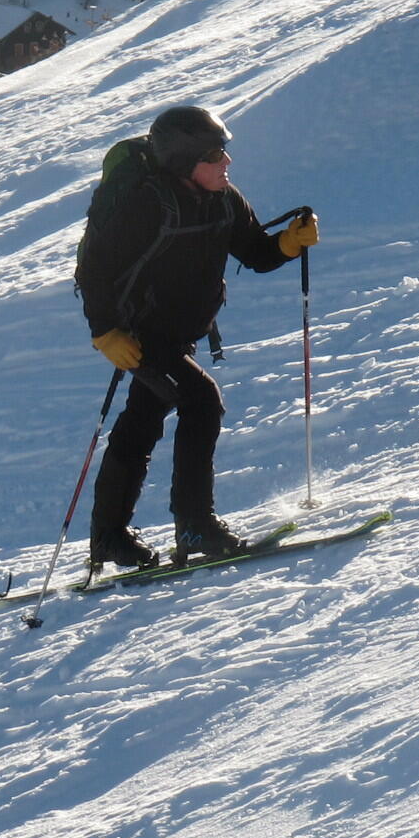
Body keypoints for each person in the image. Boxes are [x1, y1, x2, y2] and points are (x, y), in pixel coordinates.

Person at [74, 105, 320, 568]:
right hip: (140, 334)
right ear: (185, 162)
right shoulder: (145, 204)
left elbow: (254, 251)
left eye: (223, 151)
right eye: (213, 155)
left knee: (143, 419)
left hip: (179, 332)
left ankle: (109, 536)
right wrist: (105, 332)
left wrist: (288, 243)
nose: (226, 162)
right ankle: (194, 525)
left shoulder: (223, 199)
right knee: (201, 401)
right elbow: (96, 271)